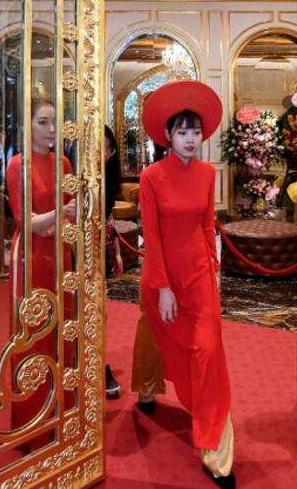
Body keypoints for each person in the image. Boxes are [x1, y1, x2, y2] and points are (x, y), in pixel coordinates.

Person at [136, 80, 235, 488]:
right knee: (155, 329)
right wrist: (162, 288)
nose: (191, 139)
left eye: (196, 131)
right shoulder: (151, 177)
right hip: (164, 276)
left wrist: (214, 268)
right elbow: (152, 236)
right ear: (168, 136)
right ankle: (145, 387)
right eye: (182, 131)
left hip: (199, 276)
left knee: (208, 351)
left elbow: (206, 222)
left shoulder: (208, 173)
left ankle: (216, 451)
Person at [5, 100, 75, 434]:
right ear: (27, 126)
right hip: (30, 257)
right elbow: (25, 222)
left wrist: (50, 220)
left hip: (61, 250)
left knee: (63, 327)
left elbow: (65, 214)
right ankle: (32, 420)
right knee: (34, 333)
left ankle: (63, 409)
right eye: (43, 122)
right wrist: (55, 217)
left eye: (54, 123)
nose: (50, 130)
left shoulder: (64, 163)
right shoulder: (18, 165)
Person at [103, 126, 125, 398]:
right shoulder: (69, 173)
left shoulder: (108, 178)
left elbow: (108, 219)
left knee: (100, 312)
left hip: (100, 249)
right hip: (70, 251)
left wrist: (117, 251)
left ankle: (100, 363)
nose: (104, 154)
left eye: (108, 150)